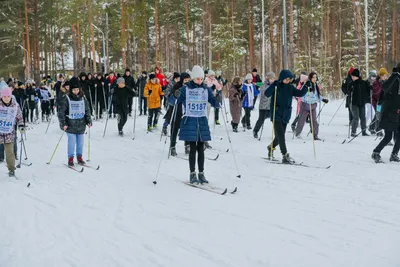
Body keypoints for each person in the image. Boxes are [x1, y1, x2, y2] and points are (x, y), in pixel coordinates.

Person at [177, 65, 219, 184]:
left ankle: (201, 173)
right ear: (192, 78)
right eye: (197, 79)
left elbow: (212, 100)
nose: (199, 81)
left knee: (201, 148)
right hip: (190, 120)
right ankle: (192, 173)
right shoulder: (186, 89)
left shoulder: (206, 89)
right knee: (192, 148)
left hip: (201, 121)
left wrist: (217, 101)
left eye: (201, 79)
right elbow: (178, 100)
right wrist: (174, 97)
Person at [265, 69, 307, 163]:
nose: (288, 81)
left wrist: (306, 86)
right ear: (282, 78)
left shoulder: (290, 88)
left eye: (289, 79)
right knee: (280, 135)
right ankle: (285, 155)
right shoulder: (277, 86)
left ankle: (270, 147)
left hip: (286, 114)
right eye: (286, 79)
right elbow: (266, 94)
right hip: (276, 113)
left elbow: (300, 93)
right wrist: (273, 86)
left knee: (280, 136)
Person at [58, 77, 92, 166]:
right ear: (71, 89)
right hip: (70, 125)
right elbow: (61, 112)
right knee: (72, 141)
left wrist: (88, 120)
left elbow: (87, 110)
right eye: (74, 90)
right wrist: (63, 123)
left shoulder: (82, 98)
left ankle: (79, 157)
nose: (76, 91)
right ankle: (70, 158)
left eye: (77, 89)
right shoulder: (67, 98)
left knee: (80, 142)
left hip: (81, 124)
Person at [371, 63, 400, 163]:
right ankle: (376, 152)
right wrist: (394, 74)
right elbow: (385, 88)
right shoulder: (393, 79)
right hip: (389, 113)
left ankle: (394, 154)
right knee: (388, 137)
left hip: (398, 113)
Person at [294, 72, 329, 140]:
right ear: (310, 78)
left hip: (313, 105)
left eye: (315, 77)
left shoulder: (315, 85)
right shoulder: (306, 84)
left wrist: (323, 99)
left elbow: (316, 95)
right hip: (305, 104)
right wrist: (307, 92)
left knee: (314, 121)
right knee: (302, 120)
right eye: (313, 77)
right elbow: (301, 93)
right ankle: (298, 133)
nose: (314, 79)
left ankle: (315, 135)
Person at [0, 86, 24, 176]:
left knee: (10, 152)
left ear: (11, 96)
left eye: (8, 96)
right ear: (1, 97)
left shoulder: (15, 106)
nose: (6, 98)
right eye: (4, 97)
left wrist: (21, 124)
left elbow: (19, 117)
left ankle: (11, 169)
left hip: (9, 132)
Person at [344, 68, 372, 136]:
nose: (352, 77)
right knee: (355, 118)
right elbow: (347, 91)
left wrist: (370, 87)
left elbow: (368, 90)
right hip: (354, 103)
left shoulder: (364, 83)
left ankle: (364, 131)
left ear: (357, 76)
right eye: (352, 76)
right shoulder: (351, 83)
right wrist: (349, 88)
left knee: (363, 117)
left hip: (362, 103)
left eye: (354, 76)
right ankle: (353, 131)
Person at [169, 72, 191, 156]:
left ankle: (187, 145)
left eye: (188, 80)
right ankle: (172, 146)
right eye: (185, 80)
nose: (187, 82)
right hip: (177, 111)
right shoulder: (177, 86)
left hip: (187, 111)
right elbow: (170, 101)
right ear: (182, 80)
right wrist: (175, 95)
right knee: (175, 128)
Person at [253, 72, 275, 138]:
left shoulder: (274, 85)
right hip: (263, 106)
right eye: (271, 79)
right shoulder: (263, 85)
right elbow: (265, 93)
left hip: (271, 106)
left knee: (275, 120)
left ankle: (277, 133)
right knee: (261, 120)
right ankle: (255, 131)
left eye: (273, 79)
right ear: (267, 79)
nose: (272, 80)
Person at [370, 68, 389, 134]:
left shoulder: (386, 82)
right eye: (384, 76)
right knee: (379, 115)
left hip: (383, 102)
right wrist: (382, 86)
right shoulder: (376, 83)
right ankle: (378, 130)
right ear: (380, 76)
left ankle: (371, 127)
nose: (385, 77)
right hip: (377, 102)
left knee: (378, 115)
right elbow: (377, 92)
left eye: (386, 75)